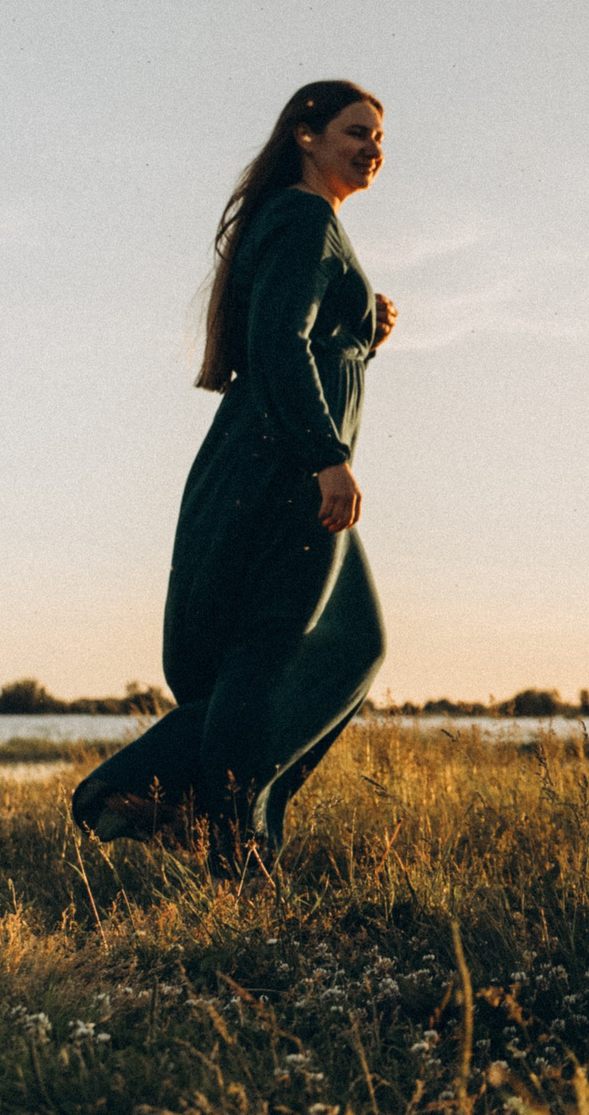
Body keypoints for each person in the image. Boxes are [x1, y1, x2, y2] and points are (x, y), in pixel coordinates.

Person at [72, 81, 397, 876]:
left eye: (380, 138)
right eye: (356, 132)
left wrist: (362, 333)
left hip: (272, 456)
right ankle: (192, 823)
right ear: (306, 136)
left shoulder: (304, 224)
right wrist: (327, 455)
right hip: (285, 463)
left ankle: (188, 807)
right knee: (280, 652)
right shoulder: (303, 217)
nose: (373, 148)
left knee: (349, 644)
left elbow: (301, 341)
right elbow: (278, 344)